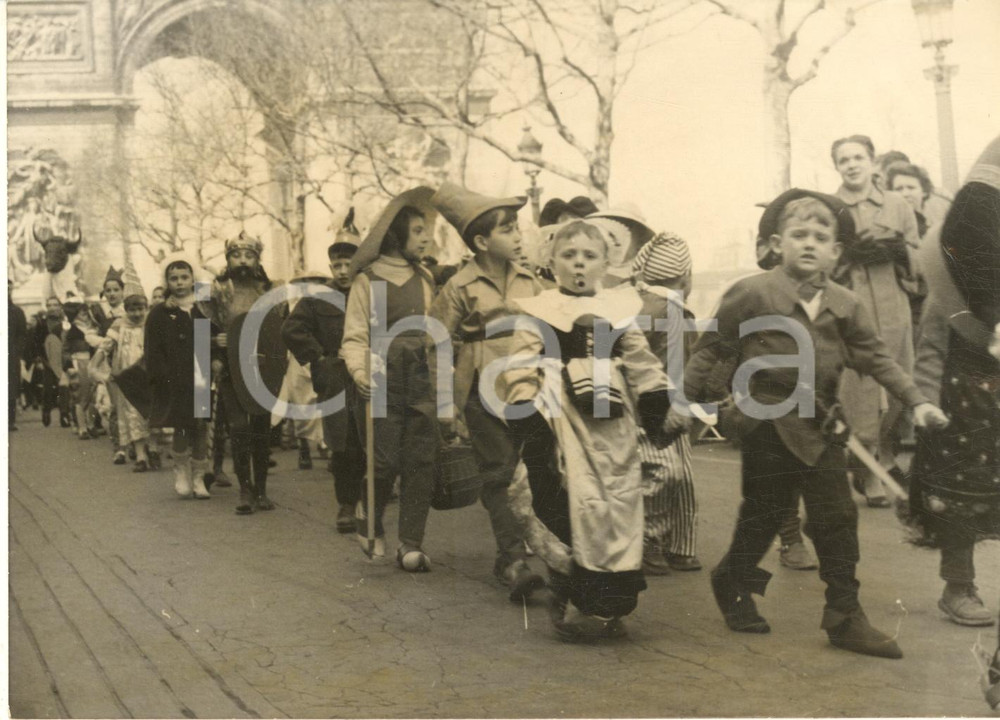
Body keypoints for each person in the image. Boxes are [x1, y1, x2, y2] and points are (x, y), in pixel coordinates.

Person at [677, 188, 947, 658]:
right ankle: (733, 579)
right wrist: (681, 404)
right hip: (766, 423)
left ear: (836, 251)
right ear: (778, 244)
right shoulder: (753, 293)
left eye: (821, 236)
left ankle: (845, 616)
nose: (809, 243)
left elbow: (879, 358)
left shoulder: (846, 304)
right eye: (798, 234)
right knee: (763, 516)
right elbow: (711, 348)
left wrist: (917, 400)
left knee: (838, 517)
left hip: (822, 425)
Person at [504, 219, 674, 641]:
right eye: (569, 255)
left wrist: (656, 400)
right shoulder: (540, 311)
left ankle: (609, 603)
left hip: (613, 424)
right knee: (577, 503)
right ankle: (574, 594)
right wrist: (525, 407)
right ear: (552, 261)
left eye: (589, 256)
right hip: (562, 420)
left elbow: (641, 361)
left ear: (605, 263)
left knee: (616, 504)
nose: (579, 264)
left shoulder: (618, 310)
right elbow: (520, 366)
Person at [428, 182, 546, 600]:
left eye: (517, 229)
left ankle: (540, 551)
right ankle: (513, 559)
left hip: (531, 392)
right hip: (482, 394)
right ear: (480, 241)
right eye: (508, 230)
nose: (518, 236)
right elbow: (437, 345)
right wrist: (446, 406)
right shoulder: (459, 287)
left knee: (534, 472)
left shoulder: (533, 281)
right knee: (497, 474)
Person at [902, 136, 1000, 632]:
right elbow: (932, 346)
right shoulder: (949, 263)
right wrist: (921, 401)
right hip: (964, 404)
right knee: (962, 495)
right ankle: (958, 584)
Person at [340, 187, 439, 569]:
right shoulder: (368, 281)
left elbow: (436, 333)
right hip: (382, 379)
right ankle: (372, 520)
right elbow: (354, 336)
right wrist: (360, 371)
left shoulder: (426, 279)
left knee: (420, 460)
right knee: (382, 462)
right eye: (417, 230)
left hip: (420, 378)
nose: (426, 237)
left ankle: (411, 543)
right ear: (397, 235)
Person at [832, 134, 921, 507]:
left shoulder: (897, 204)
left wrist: (900, 251)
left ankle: (881, 454)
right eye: (843, 160)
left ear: (872, 163)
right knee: (861, 391)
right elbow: (822, 267)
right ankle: (868, 471)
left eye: (858, 158)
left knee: (900, 384)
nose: (851, 165)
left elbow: (919, 264)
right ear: (837, 167)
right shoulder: (831, 207)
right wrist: (847, 255)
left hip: (894, 309)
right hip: (852, 311)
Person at [282, 214, 364, 534]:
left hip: (369, 375)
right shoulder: (317, 298)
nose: (343, 271)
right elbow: (292, 329)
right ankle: (346, 504)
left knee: (370, 439)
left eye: (349, 264)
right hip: (336, 377)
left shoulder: (372, 293)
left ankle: (367, 501)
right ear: (331, 268)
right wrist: (318, 357)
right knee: (343, 442)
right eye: (338, 265)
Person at [630, 232, 702, 573]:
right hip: (666, 407)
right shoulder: (673, 311)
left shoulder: (639, 305)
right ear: (685, 277)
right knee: (672, 475)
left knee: (667, 474)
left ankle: (663, 542)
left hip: (652, 403)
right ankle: (667, 542)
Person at [210, 233, 286, 514]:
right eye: (236, 255)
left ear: (257, 259)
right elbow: (201, 330)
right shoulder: (216, 292)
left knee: (261, 430)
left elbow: (279, 330)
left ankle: (262, 490)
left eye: (249, 255)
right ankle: (244, 489)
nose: (242, 261)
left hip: (262, 368)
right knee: (239, 427)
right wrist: (213, 345)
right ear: (228, 259)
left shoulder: (270, 291)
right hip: (230, 368)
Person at [146, 255, 212, 498]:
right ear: (166, 282)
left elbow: (208, 339)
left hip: (201, 375)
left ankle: (199, 476)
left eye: (185, 277)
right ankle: (182, 473)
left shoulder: (202, 308)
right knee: (183, 426)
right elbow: (153, 351)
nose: (180, 282)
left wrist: (214, 360)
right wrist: (163, 378)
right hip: (176, 378)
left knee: (201, 425)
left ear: (193, 278)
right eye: (174, 278)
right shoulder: (160, 313)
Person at [101, 264, 152, 472]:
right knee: (132, 413)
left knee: (150, 412)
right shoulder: (119, 325)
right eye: (132, 309)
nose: (137, 313)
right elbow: (107, 344)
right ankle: (140, 456)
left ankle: (153, 449)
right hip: (128, 376)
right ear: (126, 309)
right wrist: (100, 358)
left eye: (141, 308)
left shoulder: (151, 324)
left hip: (148, 374)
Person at [9, 281, 28, 430]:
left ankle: (10, 421)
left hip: (10, 355)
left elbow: (22, 335)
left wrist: (16, 351)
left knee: (11, 388)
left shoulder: (17, 312)